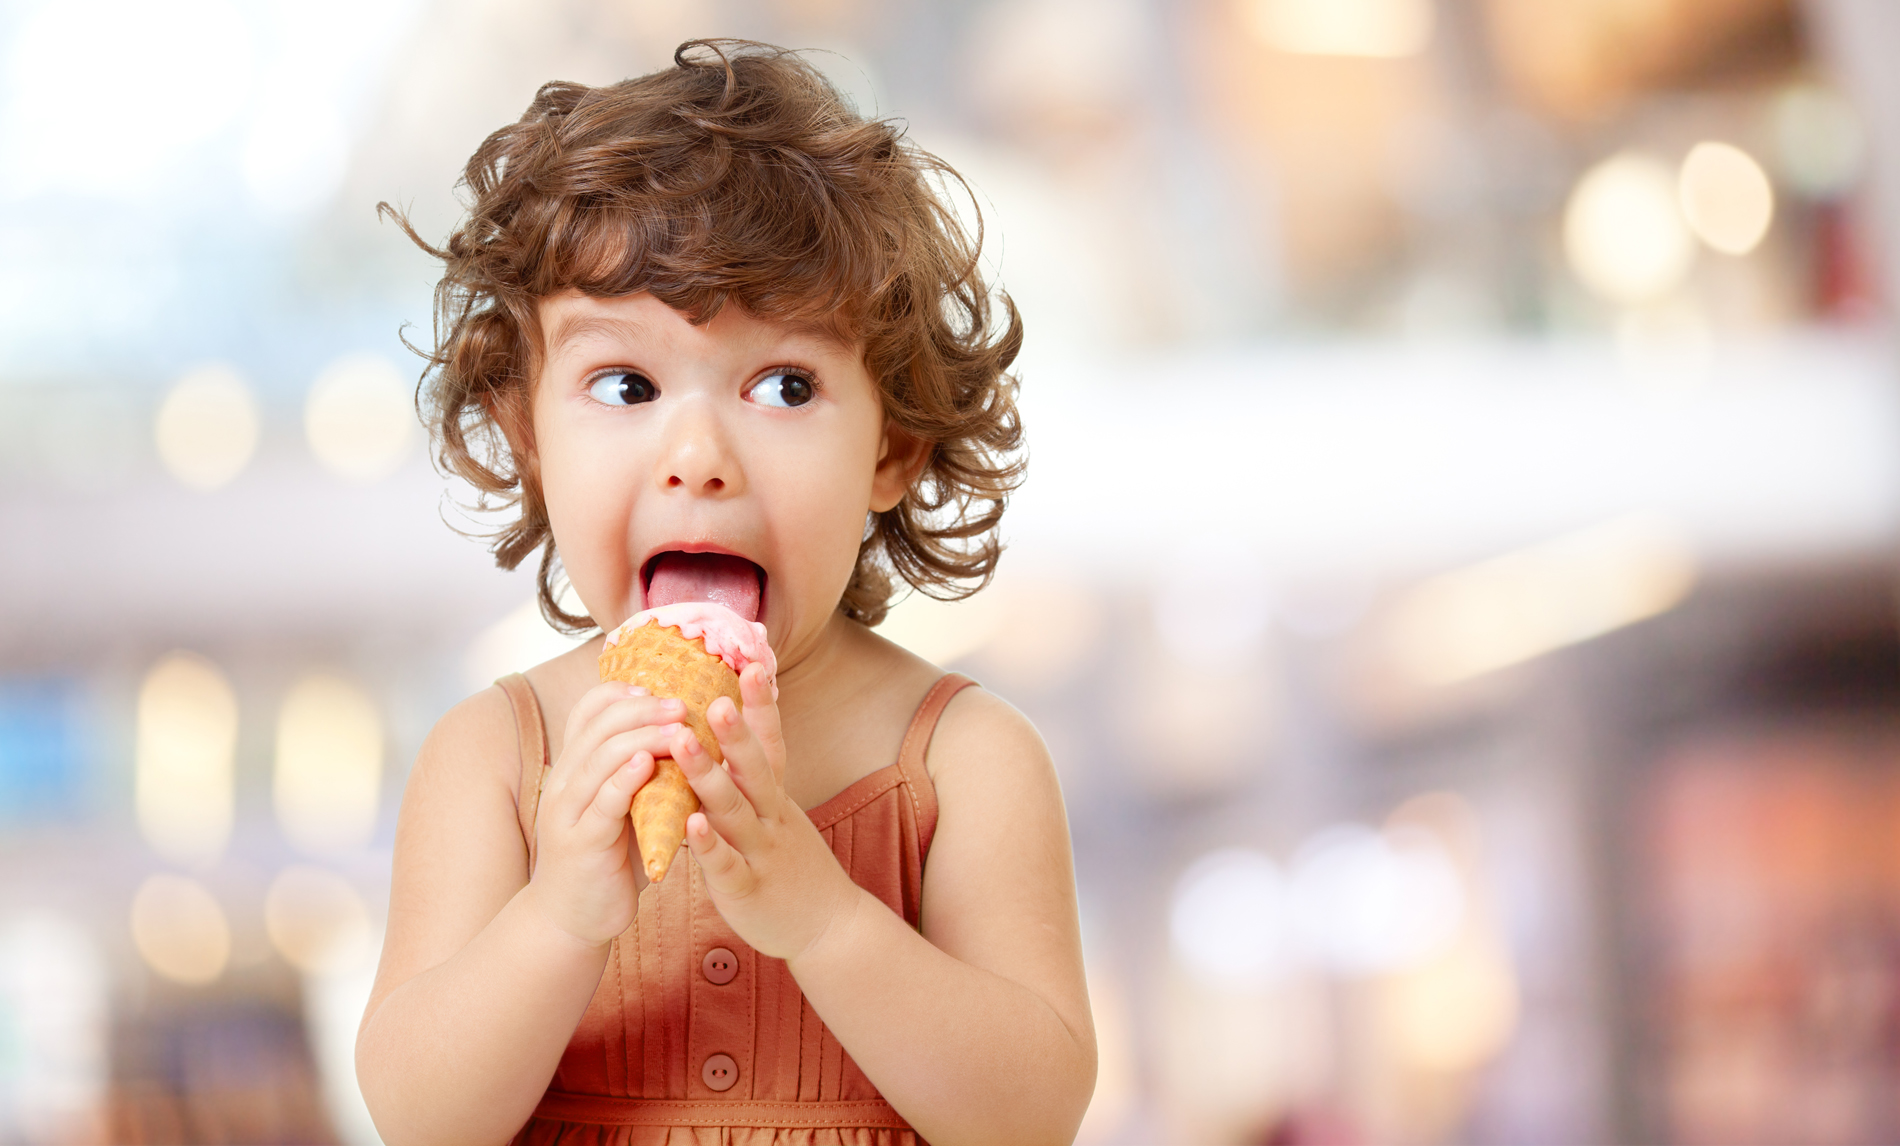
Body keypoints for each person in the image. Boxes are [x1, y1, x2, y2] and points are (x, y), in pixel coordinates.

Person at [354, 40, 1096, 1146]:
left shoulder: (964, 759)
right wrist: (560, 914)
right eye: (626, 384)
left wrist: (825, 917)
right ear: (527, 437)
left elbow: (1031, 1114)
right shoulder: (496, 757)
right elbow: (420, 1116)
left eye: (783, 385)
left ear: (892, 447)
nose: (697, 454)